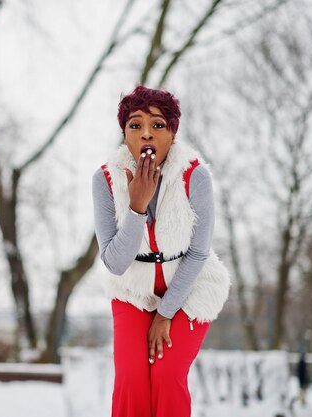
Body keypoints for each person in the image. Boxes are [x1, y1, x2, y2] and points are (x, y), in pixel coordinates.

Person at [92, 85, 231, 417]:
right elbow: (113, 262)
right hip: (132, 291)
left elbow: (198, 252)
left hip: (191, 287)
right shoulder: (106, 180)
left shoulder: (194, 176)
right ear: (125, 134)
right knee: (131, 380)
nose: (147, 134)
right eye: (135, 125)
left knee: (167, 375)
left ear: (172, 132)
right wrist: (137, 207)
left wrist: (166, 314)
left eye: (157, 125)